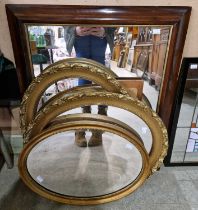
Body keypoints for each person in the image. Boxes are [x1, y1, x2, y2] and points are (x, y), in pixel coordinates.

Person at [64, 26, 115, 147]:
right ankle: (82, 123)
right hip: (80, 37)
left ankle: (99, 128)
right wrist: (74, 31)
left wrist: (105, 31)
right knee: (83, 75)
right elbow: (64, 21)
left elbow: (114, 21)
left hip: (100, 38)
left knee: (100, 78)